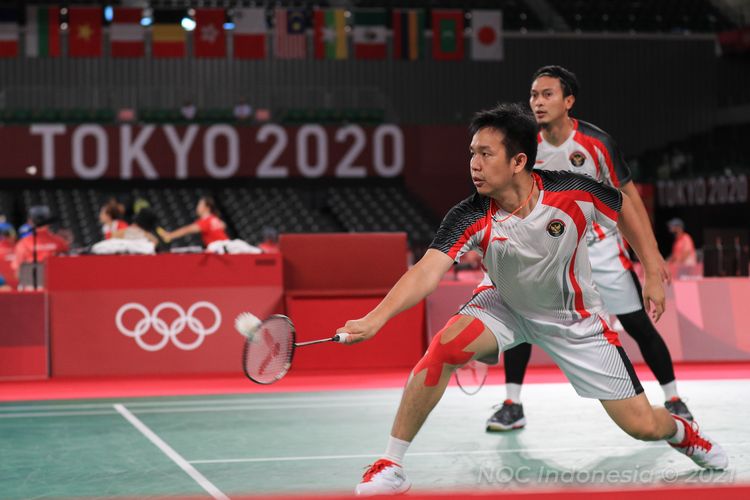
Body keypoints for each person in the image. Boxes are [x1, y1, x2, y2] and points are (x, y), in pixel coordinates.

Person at [339, 104, 726, 495]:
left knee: (642, 425)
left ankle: (685, 433)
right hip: (504, 304)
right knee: (444, 346)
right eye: (471, 153)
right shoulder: (470, 214)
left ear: (518, 161)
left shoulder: (572, 191)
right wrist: (376, 319)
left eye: (485, 154)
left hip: (574, 320)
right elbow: (425, 272)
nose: (474, 163)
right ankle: (392, 463)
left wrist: (652, 269)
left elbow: (624, 209)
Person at [486, 66, 693, 432]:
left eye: (547, 94)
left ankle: (673, 397)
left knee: (636, 323)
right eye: (534, 95)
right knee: (521, 320)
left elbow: (627, 198)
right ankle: (511, 403)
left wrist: (651, 254)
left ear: (569, 101)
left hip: (600, 249)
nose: (537, 102)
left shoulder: (596, 144)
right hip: (548, 255)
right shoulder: (524, 146)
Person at [12, 206, 69, 279]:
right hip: (57, 284)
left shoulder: (22, 244)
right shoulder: (60, 242)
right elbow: (67, 268)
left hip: (33, 285)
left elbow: (18, 273)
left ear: (30, 221)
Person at [159, 196, 228, 248]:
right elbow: (224, 225)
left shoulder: (206, 221)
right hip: (226, 247)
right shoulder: (214, 218)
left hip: (220, 250)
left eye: (200, 205)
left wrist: (170, 235)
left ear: (207, 208)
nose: (197, 208)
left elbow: (187, 230)